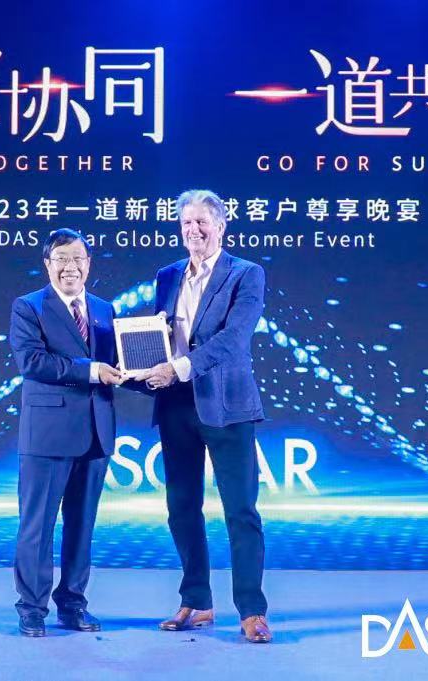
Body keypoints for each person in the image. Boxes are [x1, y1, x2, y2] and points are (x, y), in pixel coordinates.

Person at [136, 189, 272, 643]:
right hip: (175, 405)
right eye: (186, 223)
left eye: (201, 222)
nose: (193, 230)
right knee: (181, 507)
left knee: (241, 510)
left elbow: (234, 339)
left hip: (227, 405)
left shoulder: (246, 274)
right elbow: (159, 335)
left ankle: (251, 610)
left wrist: (178, 367)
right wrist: (140, 364)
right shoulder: (168, 275)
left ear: (220, 226)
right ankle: (196, 600)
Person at [8, 228, 125, 637]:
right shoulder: (29, 307)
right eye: (61, 259)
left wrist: (152, 349)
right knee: (37, 527)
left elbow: (119, 363)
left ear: (88, 264)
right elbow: (32, 362)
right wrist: (91, 371)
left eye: (77, 259)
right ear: (48, 264)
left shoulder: (105, 309)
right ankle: (31, 607)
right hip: (48, 434)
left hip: (96, 431)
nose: (70, 267)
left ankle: (73, 604)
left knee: (82, 525)